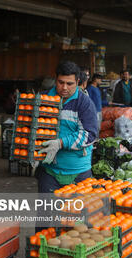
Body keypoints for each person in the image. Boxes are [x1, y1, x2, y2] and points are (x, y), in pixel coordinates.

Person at [37, 61, 98, 193]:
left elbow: (89, 134)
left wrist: (60, 143)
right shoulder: (44, 99)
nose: (64, 87)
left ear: (77, 81)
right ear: (56, 80)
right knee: (47, 212)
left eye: (69, 83)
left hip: (78, 172)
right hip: (49, 171)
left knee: (75, 212)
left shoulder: (84, 103)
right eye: (60, 82)